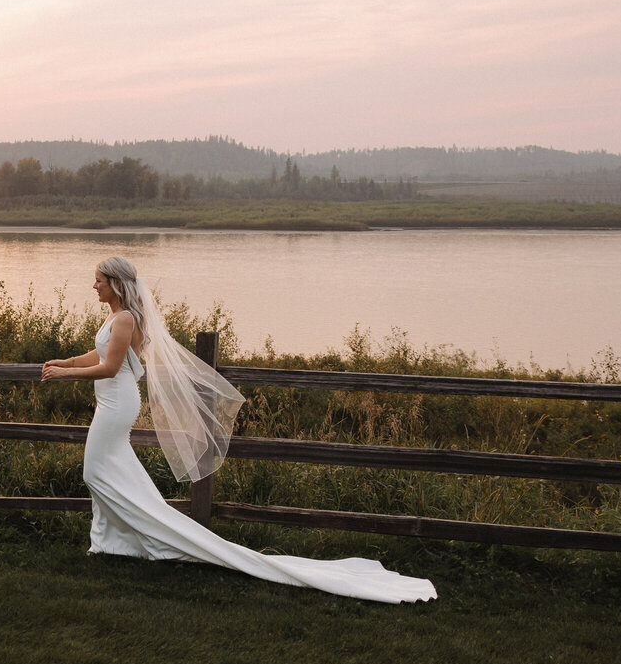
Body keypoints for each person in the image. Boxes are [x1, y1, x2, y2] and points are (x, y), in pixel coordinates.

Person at [42, 256, 436, 604]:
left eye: (98, 279)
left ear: (115, 283)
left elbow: (112, 368)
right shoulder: (115, 318)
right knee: (110, 472)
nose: (92, 285)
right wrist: (67, 359)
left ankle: (144, 537)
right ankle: (113, 542)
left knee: (94, 472)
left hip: (117, 404)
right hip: (109, 404)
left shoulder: (126, 317)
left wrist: (64, 375)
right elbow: (101, 354)